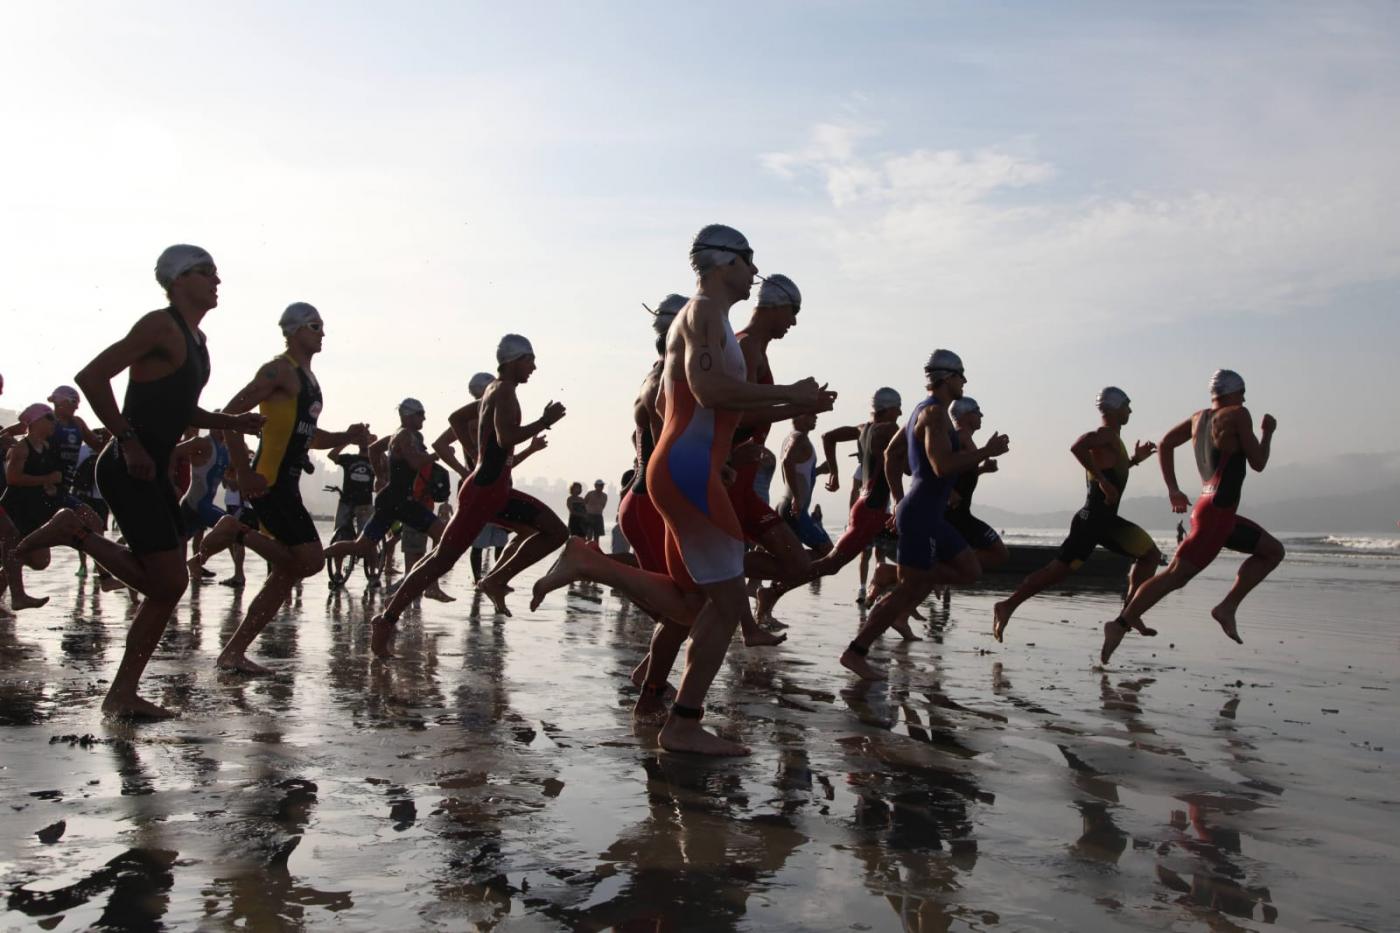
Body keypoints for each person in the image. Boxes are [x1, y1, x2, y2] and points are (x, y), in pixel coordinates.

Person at [528, 225, 823, 755]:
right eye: (748, 261)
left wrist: (780, 412)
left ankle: (677, 713)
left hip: (689, 466)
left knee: (694, 603)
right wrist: (784, 394)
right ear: (723, 262)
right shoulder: (705, 311)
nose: (754, 272)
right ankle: (681, 719)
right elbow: (709, 389)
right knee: (729, 601)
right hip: (687, 471)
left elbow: (682, 403)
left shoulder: (709, 318)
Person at [17, 245, 263, 718]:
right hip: (129, 465)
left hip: (152, 467)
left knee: (167, 587)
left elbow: (179, 409)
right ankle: (75, 530)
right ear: (177, 280)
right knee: (168, 583)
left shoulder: (198, 340)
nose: (217, 280)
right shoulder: (159, 325)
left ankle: (123, 695)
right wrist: (127, 440)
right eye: (205, 272)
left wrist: (232, 420)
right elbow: (91, 377)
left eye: (216, 272)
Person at [191, 302, 371, 674]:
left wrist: (345, 436)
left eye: (323, 326)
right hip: (269, 482)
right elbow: (230, 417)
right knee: (311, 561)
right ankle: (236, 529)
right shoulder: (278, 370)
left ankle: (233, 653)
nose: (322, 333)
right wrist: (242, 472)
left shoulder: (308, 379)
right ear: (293, 331)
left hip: (287, 483)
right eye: (314, 326)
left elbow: (309, 436)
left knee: (287, 573)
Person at [369, 333, 566, 656]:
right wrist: (543, 422)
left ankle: (495, 579)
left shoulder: (494, 390)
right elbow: (505, 439)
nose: (534, 367)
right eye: (530, 360)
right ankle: (387, 619)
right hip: (485, 493)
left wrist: (475, 457)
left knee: (552, 531)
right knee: (440, 560)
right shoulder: (502, 391)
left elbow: (456, 419)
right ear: (514, 361)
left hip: (492, 488)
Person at [841, 350, 1009, 680]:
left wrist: (899, 498)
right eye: (961, 375)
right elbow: (941, 465)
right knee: (912, 588)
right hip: (920, 515)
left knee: (969, 570)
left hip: (925, 514)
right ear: (947, 378)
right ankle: (855, 651)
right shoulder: (932, 414)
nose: (964, 382)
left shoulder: (927, 411)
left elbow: (892, 455)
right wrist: (986, 452)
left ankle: (895, 579)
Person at [1101, 369, 1283, 663]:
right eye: (1242, 391)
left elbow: (1166, 443)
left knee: (1273, 551)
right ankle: (1120, 623)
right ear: (1231, 393)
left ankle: (1227, 608)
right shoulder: (1238, 414)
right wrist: (1268, 432)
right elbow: (1259, 462)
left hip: (1210, 508)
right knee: (1175, 575)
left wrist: (1173, 489)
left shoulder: (1199, 418)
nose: (1245, 397)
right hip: (1218, 513)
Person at [991, 387, 1159, 644]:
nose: (1130, 411)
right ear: (1115, 409)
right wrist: (1103, 482)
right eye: (1127, 405)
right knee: (1055, 572)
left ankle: (1129, 612)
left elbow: (1110, 469)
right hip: (1093, 521)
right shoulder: (1104, 435)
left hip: (1101, 521)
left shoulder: (1112, 438)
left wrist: (1135, 459)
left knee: (1148, 555)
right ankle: (1008, 605)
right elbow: (1077, 447)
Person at [755, 387, 903, 623]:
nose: (901, 412)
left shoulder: (863, 429)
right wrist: (900, 499)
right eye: (898, 408)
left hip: (866, 508)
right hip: (872, 509)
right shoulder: (889, 429)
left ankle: (894, 605)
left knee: (830, 561)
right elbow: (899, 466)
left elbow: (829, 437)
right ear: (889, 408)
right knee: (830, 562)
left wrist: (833, 471)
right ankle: (770, 591)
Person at [323, 398, 446, 573]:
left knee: (361, 546)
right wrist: (437, 454)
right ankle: (427, 583)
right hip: (401, 501)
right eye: (421, 414)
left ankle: (318, 556)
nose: (424, 419)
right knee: (444, 537)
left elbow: (373, 448)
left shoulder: (398, 435)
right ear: (408, 415)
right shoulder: (404, 435)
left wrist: (380, 476)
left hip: (391, 499)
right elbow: (414, 462)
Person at [1, 404, 65, 606]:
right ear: (36, 421)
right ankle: (17, 595)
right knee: (14, 545)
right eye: (50, 417)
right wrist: (47, 478)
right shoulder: (20, 448)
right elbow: (13, 479)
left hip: (34, 507)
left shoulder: (46, 447)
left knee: (40, 561)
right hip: (15, 506)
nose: (54, 422)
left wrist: (50, 486)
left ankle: (10, 566)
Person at [946, 397, 1010, 570]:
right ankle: (939, 570)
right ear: (966, 415)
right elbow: (937, 465)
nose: (981, 415)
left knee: (998, 554)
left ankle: (942, 569)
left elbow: (959, 472)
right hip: (952, 515)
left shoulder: (966, 439)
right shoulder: (959, 436)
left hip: (961, 513)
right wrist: (949, 492)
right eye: (977, 412)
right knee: (999, 553)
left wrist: (982, 469)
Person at [176, 428, 230, 579]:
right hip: (193, 504)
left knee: (232, 531)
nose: (222, 430)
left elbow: (229, 477)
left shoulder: (225, 450)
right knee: (170, 547)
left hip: (204, 506)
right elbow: (173, 453)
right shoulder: (204, 443)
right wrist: (168, 482)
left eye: (224, 427)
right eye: (219, 426)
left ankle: (196, 562)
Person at [778, 412, 833, 555]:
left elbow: (798, 472)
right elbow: (787, 462)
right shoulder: (800, 438)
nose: (815, 417)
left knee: (790, 557)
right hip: (796, 510)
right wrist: (796, 497)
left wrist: (819, 470)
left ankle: (787, 571)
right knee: (829, 552)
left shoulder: (790, 438)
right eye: (811, 414)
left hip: (787, 506)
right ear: (798, 416)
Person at [326, 438, 376, 585]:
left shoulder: (376, 459)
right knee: (340, 536)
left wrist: (375, 445)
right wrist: (348, 439)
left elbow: (386, 471)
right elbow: (332, 455)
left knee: (369, 539)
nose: (364, 442)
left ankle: (373, 574)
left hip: (365, 504)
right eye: (362, 439)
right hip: (346, 502)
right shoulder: (349, 458)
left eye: (366, 439)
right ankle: (338, 572)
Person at [583, 480, 608, 544]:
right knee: (589, 535)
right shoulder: (590, 493)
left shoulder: (605, 496)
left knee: (597, 536)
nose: (601, 487)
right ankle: (587, 548)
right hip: (589, 516)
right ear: (595, 486)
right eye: (599, 485)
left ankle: (596, 550)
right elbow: (583, 503)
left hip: (598, 516)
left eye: (602, 485)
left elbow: (603, 506)